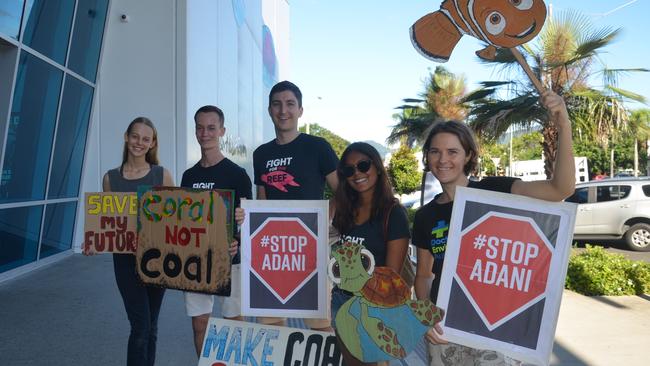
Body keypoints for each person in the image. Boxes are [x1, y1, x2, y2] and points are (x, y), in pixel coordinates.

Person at [412, 90, 575, 365]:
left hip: (495, 332)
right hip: (444, 332)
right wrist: (425, 319)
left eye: (453, 151)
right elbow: (424, 276)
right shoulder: (426, 215)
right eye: (435, 152)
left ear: (468, 156)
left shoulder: (494, 190)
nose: (443, 160)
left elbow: (560, 189)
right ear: (427, 157)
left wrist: (564, 126)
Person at [84, 117, 174, 366]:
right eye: (135, 136)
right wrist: (95, 242)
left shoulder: (162, 175)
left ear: (152, 143)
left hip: (158, 261)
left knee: (151, 327)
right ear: (126, 137)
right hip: (125, 262)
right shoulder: (110, 179)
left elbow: (175, 220)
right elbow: (107, 223)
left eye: (146, 139)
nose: (139, 143)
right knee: (140, 326)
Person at [251, 80, 339, 330]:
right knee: (270, 323)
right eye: (277, 104)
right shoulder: (261, 154)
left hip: (312, 247)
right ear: (269, 110)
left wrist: (326, 217)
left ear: (300, 110)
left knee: (320, 324)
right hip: (275, 250)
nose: (283, 111)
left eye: (290, 104)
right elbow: (262, 199)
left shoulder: (318, 147)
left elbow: (342, 191)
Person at [330, 142, 411, 366]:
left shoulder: (394, 213)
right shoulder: (342, 210)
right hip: (341, 300)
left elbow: (391, 274)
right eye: (348, 170)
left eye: (363, 165)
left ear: (376, 167)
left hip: (372, 307)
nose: (357, 173)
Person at [181, 105, 252, 356]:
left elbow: (249, 222)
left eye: (211, 128)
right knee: (200, 324)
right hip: (196, 262)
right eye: (200, 127)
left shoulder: (237, 175)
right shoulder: (188, 176)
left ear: (222, 131)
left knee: (234, 322)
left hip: (231, 261)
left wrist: (239, 241)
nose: (205, 133)